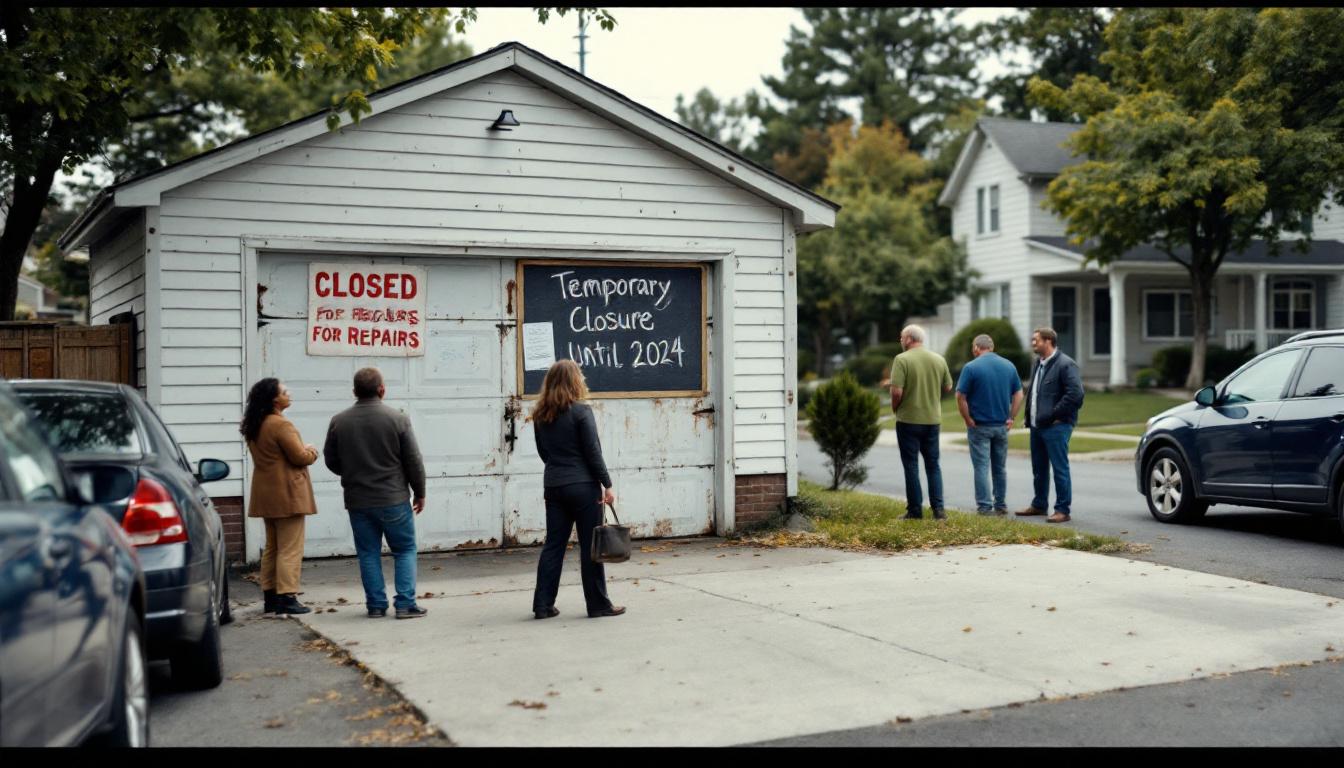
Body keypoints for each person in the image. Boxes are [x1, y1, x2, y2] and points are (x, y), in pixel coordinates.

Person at [323, 367, 428, 619]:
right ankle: (405, 604)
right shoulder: (398, 419)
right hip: (393, 498)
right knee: (404, 549)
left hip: (358, 499)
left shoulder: (339, 421)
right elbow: (413, 460)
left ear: (354, 391)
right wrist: (420, 492)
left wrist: (352, 473)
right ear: (382, 389)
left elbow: (331, 460)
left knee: (368, 553)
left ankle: (376, 605)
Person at [529, 359, 624, 620]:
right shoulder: (582, 412)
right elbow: (593, 453)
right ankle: (598, 605)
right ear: (575, 381)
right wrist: (607, 484)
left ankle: (543, 605)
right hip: (583, 487)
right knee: (590, 547)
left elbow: (544, 453)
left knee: (553, 545)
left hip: (554, 485)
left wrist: (560, 469)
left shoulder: (540, 415)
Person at [241, 378, 319, 616]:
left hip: (266, 493)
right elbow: (300, 457)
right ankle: (287, 596)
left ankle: (271, 597)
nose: (289, 394)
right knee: (290, 548)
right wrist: (312, 450)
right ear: (275, 399)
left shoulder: (255, 424)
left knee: (272, 547)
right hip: (288, 494)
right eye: (285, 392)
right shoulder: (281, 425)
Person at [1017, 327, 1085, 523]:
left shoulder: (1065, 364)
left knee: (1059, 468)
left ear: (1048, 341)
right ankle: (1039, 505)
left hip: (1057, 426)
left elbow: (1076, 395)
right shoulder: (1038, 363)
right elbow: (1035, 393)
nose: (1033, 343)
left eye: (1036, 340)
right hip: (1037, 426)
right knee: (1039, 468)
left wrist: (1054, 414)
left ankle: (1062, 510)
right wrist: (1029, 416)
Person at [889, 324, 954, 520]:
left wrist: (895, 407)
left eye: (902, 337)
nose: (901, 340)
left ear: (909, 339)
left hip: (908, 420)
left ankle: (915, 511)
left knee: (911, 466)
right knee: (933, 465)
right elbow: (948, 387)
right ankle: (939, 510)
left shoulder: (901, 359)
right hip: (932, 420)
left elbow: (896, 391)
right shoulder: (939, 359)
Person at [955, 334, 1024, 515]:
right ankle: (1000, 504)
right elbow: (1019, 394)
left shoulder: (971, 367)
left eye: (973, 348)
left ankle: (985, 507)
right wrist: (1011, 417)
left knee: (981, 467)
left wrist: (967, 418)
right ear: (991, 347)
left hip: (979, 426)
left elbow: (960, 396)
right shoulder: (1009, 366)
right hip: (1002, 426)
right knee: (1000, 468)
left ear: (976, 348)